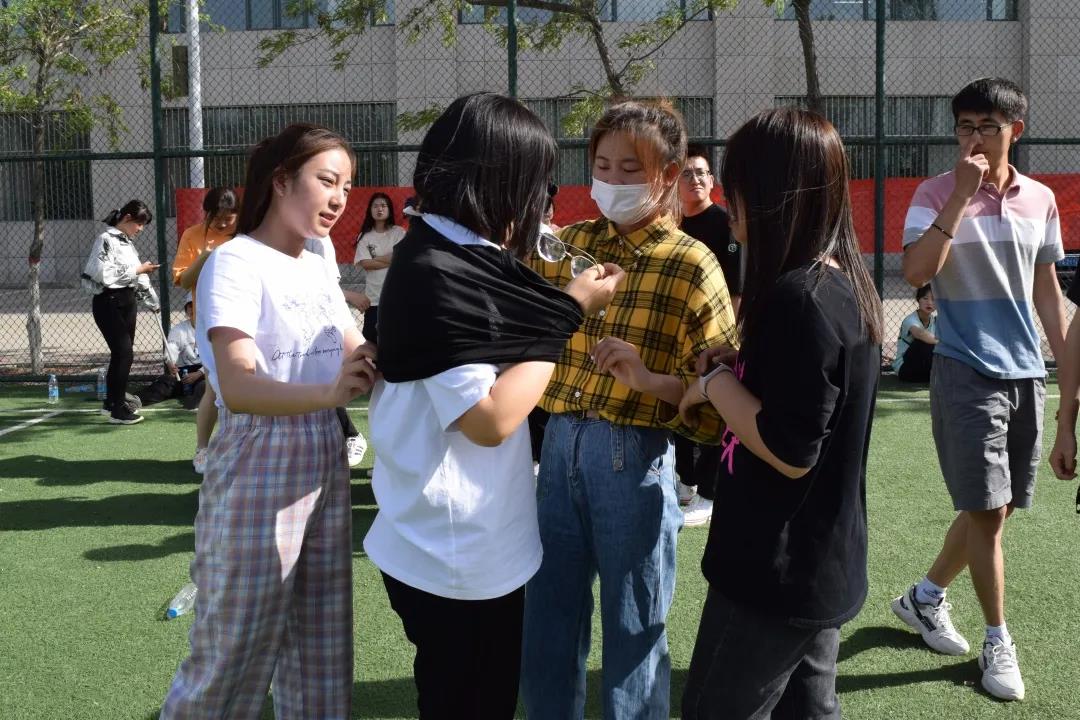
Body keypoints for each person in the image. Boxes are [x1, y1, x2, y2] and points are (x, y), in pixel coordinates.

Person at [364, 92, 623, 720]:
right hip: (451, 548)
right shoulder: (438, 270)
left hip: (469, 536)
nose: (544, 201)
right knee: (469, 701)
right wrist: (569, 312)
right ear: (500, 182)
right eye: (537, 183)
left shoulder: (462, 254)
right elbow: (490, 419)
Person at [520, 98, 739, 720]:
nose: (611, 181)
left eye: (630, 169)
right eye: (602, 166)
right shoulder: (565, 245)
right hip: (556, 444)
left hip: (635, 455)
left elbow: (718, 390)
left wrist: (650, 381)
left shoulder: (691, 263)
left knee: (635, 624)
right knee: (548, 620)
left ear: (668, 176)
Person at [159, 123, 377, 719]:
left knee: (322, 647)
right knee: (234, 647)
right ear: (281, 181)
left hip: (324, 451)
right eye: (327, 181)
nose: (340, 198)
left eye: (347, 186)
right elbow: (237, 385)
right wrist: (329, 391)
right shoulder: (234, 262)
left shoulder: (318, 261)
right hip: (259, 452)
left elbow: (356, 347)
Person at [677, 107, 883, 720]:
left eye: (737, 185)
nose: (727, 200)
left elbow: (790, 450)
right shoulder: (837, 283)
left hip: (776, 567)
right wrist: (741, 364)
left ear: (772, 193)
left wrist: (713, 382)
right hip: (816, 560)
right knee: (810, 709)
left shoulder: (800, 299)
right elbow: (804, 393)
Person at [891, 77, 1067, 702]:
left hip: (1028, 372)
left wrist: (1069, 380)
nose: (974, 138)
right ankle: (999, 639)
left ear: (1016, 129)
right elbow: (916, 271)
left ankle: (924, 596)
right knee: (988, 512)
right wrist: (962, 196)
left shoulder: (1040, 198)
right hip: (965, 367)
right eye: (965, 126)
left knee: (998, 507)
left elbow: (1047, 289)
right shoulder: (935, 193)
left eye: (988, 126)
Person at [674, 143, 745, 526]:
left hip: (717, 336)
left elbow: (735, 289)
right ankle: (685, 482)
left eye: (701, 172)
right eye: (687, 173)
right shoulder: (672, 224)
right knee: (679, 402)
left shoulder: (724, 224)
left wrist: (726, 339)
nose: (695, 179)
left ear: (712, 180)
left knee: (716, 409)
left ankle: (709, 493)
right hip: (678, 333)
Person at [173, 187, 239, 473]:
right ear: (207, 213)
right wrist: (205, 258)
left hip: (245, 319)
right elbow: (183, 281)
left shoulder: (247, 234)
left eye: (229, 218)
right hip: (210, 322)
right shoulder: (193, 235)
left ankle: (241, 447)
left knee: (243, 381)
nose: (223, 224)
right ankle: (202, 449)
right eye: (217, 218)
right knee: (214, 385)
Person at [82, 199, 159, 425]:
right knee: (124, 353)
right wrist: (137, 269)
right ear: (127, 218)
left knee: (122, 354)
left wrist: (152, 300)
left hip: (127, 301)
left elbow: (139, 276)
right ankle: (118, 408)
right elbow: (100, 273)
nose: (141, 229)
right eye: (139, 223)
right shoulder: (105, 239)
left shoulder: (128, 244)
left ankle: (111, 403)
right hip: (108, 301)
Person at [305, 233, 369, 466]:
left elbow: (327, 288)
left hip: (317, 323)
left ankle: (351, 434)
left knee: (323, 380)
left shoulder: (317, 240)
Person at [134, 293, 206, 409]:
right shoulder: (179, 330)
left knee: (206, 385)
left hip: (204, 372)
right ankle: (135, 400)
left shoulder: (212, 329)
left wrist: (199, 373)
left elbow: (216, 359)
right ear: (186, 310)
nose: (194, 309)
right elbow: (171, 349)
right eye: (190, 306)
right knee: (165, 382)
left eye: (198, 305)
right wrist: (170, 363)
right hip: (184, 374)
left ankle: (196, 402)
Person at [354, 192, 406, 342]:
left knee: (396, 340)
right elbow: (365, 264)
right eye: (375, 206)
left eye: (383, 205)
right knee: (371, 341)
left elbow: (401, 259)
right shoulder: (364, 236)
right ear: (370, 210)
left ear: (389, 209)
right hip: (374, 300)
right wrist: (391, 259)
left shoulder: (399, 233)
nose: (379, 209)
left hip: (396, 297)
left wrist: (375, 259)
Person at [892, 284, 938, 382]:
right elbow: (920, 334)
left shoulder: (936, 321)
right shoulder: (910, 320)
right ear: (918, 300)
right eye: (925, 298)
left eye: (933, 299)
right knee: (922, 342)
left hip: (922, 368)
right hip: (905, 368)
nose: (929, 302)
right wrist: (943, 342)